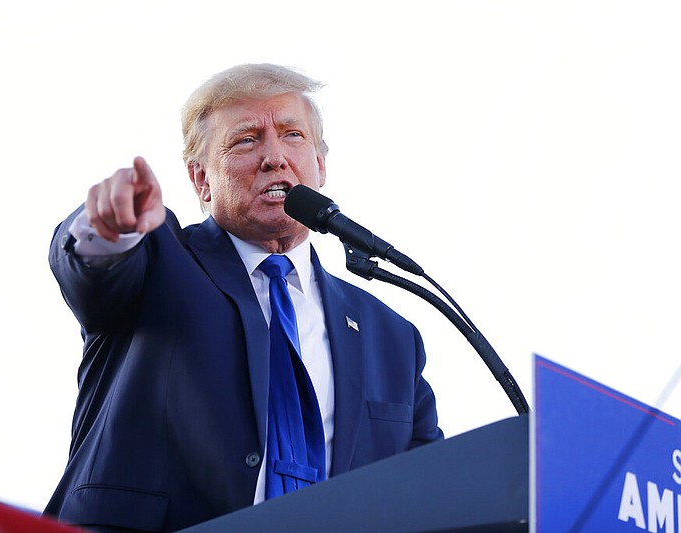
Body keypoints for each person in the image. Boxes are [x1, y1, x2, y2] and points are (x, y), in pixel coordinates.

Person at [44, 63, 443, 532]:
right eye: (247, 139)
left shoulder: (391, 336)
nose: (275, 156)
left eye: (293, 135)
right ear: (201, 181)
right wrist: (111, 226)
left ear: (320, 165)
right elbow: (92, 272)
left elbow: (432, 487)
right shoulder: (159, 256)